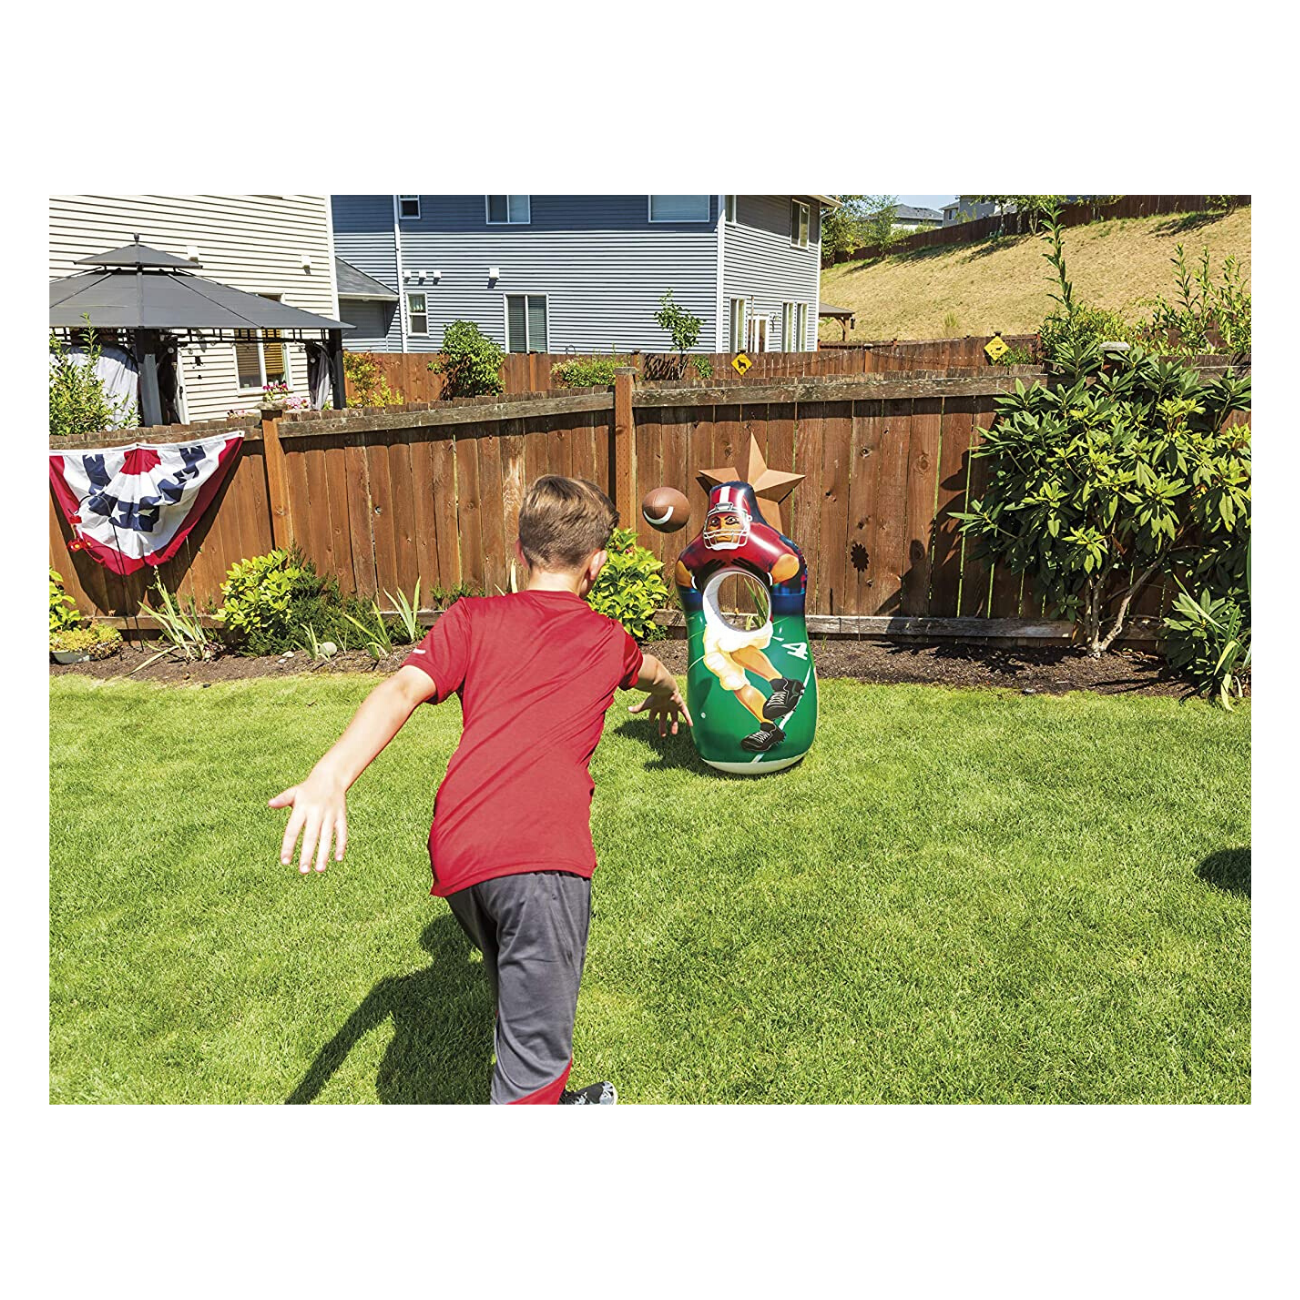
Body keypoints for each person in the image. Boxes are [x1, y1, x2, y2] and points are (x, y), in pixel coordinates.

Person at [270, 475, 691, 1105]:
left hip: (460, 849)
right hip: (540, 858)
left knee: (520, 988)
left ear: (521, 552)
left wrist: (331, 775)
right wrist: (671, 692)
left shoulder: (472, 618)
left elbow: (401, 688)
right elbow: (650, 670)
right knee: (536, 1060)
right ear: (597, 565)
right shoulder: (607, 639)